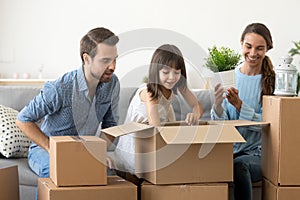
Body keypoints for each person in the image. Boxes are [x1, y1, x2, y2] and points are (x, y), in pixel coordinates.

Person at [16, 27, 120, 179]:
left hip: (83, 150)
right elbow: (23, 119)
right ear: (87, 59)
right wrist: (51, 148)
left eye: (115, 59)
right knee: (57, 170)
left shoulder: (112, 83)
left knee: (108, 173)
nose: (113, 67)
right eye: (105, 60)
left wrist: (98, 153)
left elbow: (111, 125)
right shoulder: (60, 88)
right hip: (44, 150)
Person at [112, 44, 204, 176]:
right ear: (156, 72)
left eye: (176, 72)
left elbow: (197, 106)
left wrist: (194, 114)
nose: (172, 77)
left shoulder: (179, 86)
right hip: (137, 144)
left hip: (155, 138)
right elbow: (155, 126)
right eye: (166, 72)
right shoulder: (149, 92)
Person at [210, 23, 275, 200]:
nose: (253, 53)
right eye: (248, 46)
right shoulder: (229, 77)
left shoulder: (272, 82)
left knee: (239, 165)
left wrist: (240, 105)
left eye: (259, 48)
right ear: (241, 44)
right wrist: (216, 105)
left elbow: (272, 125)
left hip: (258, 154)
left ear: (267, 49)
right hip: (229, 151)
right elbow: (222, 124)